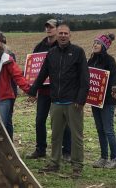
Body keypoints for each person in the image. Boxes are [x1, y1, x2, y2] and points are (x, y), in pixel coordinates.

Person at [28, 23, 89, 179]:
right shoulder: (52, 53)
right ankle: (54, 162)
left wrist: (81, 99)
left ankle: (77, 166)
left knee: (76, 136)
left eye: (65, 33)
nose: (62, 35)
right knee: (56, 135)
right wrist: (33, 90)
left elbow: (84, 78)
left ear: (70, 35)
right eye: (60, 33)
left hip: (73, 102)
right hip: (56, 101)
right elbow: (42, 74)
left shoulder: (78, 52)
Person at [26, 19, 71, 160]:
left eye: (51, 27)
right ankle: (40, 149)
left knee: (63, 122)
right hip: (44, 91)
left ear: (57, 29)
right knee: (40, 120)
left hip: (60, 91)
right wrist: (33, 90)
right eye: (47, 27)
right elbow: (34, 70)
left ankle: (67, 151)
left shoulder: (63, 46)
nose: (49, 29)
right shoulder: (39, 47)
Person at [88, 33, 116, 169]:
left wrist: (114, 91)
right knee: (100, 130)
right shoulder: (90, 61)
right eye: (94, 42)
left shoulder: (109, 60)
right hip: (95, 100)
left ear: (104, 46)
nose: (95, 45)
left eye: (98, 43)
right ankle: (103, 157)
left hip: (107, 101)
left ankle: (114, 159)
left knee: (108, 130)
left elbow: (114, 79)